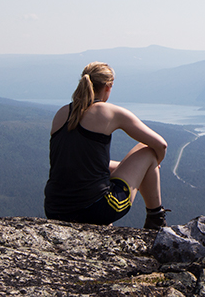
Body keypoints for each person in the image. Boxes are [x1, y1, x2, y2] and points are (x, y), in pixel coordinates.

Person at [44, 62, 170, 229]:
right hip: (95, 210)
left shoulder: (61, 114)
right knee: (147, 151)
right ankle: (156, 218)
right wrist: (152, 166)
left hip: (54, 210)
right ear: (108, 87)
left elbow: (78, 162)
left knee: (109, 172)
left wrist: (123, 168)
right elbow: (161, 145)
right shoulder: (109, 112)